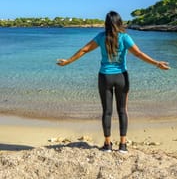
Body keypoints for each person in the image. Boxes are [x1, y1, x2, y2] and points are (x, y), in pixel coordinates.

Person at [57, 11, 170, 153]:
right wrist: (156, 63)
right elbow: (138, 53)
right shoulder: (125, 37)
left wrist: (68, 61)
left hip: (105, 77)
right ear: (119, 22)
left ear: (106, 23)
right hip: (121, 77)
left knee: (107, 111)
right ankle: (123, 145)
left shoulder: (101, 37)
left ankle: (108, 144)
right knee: (122, 111)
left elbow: (84, 50)